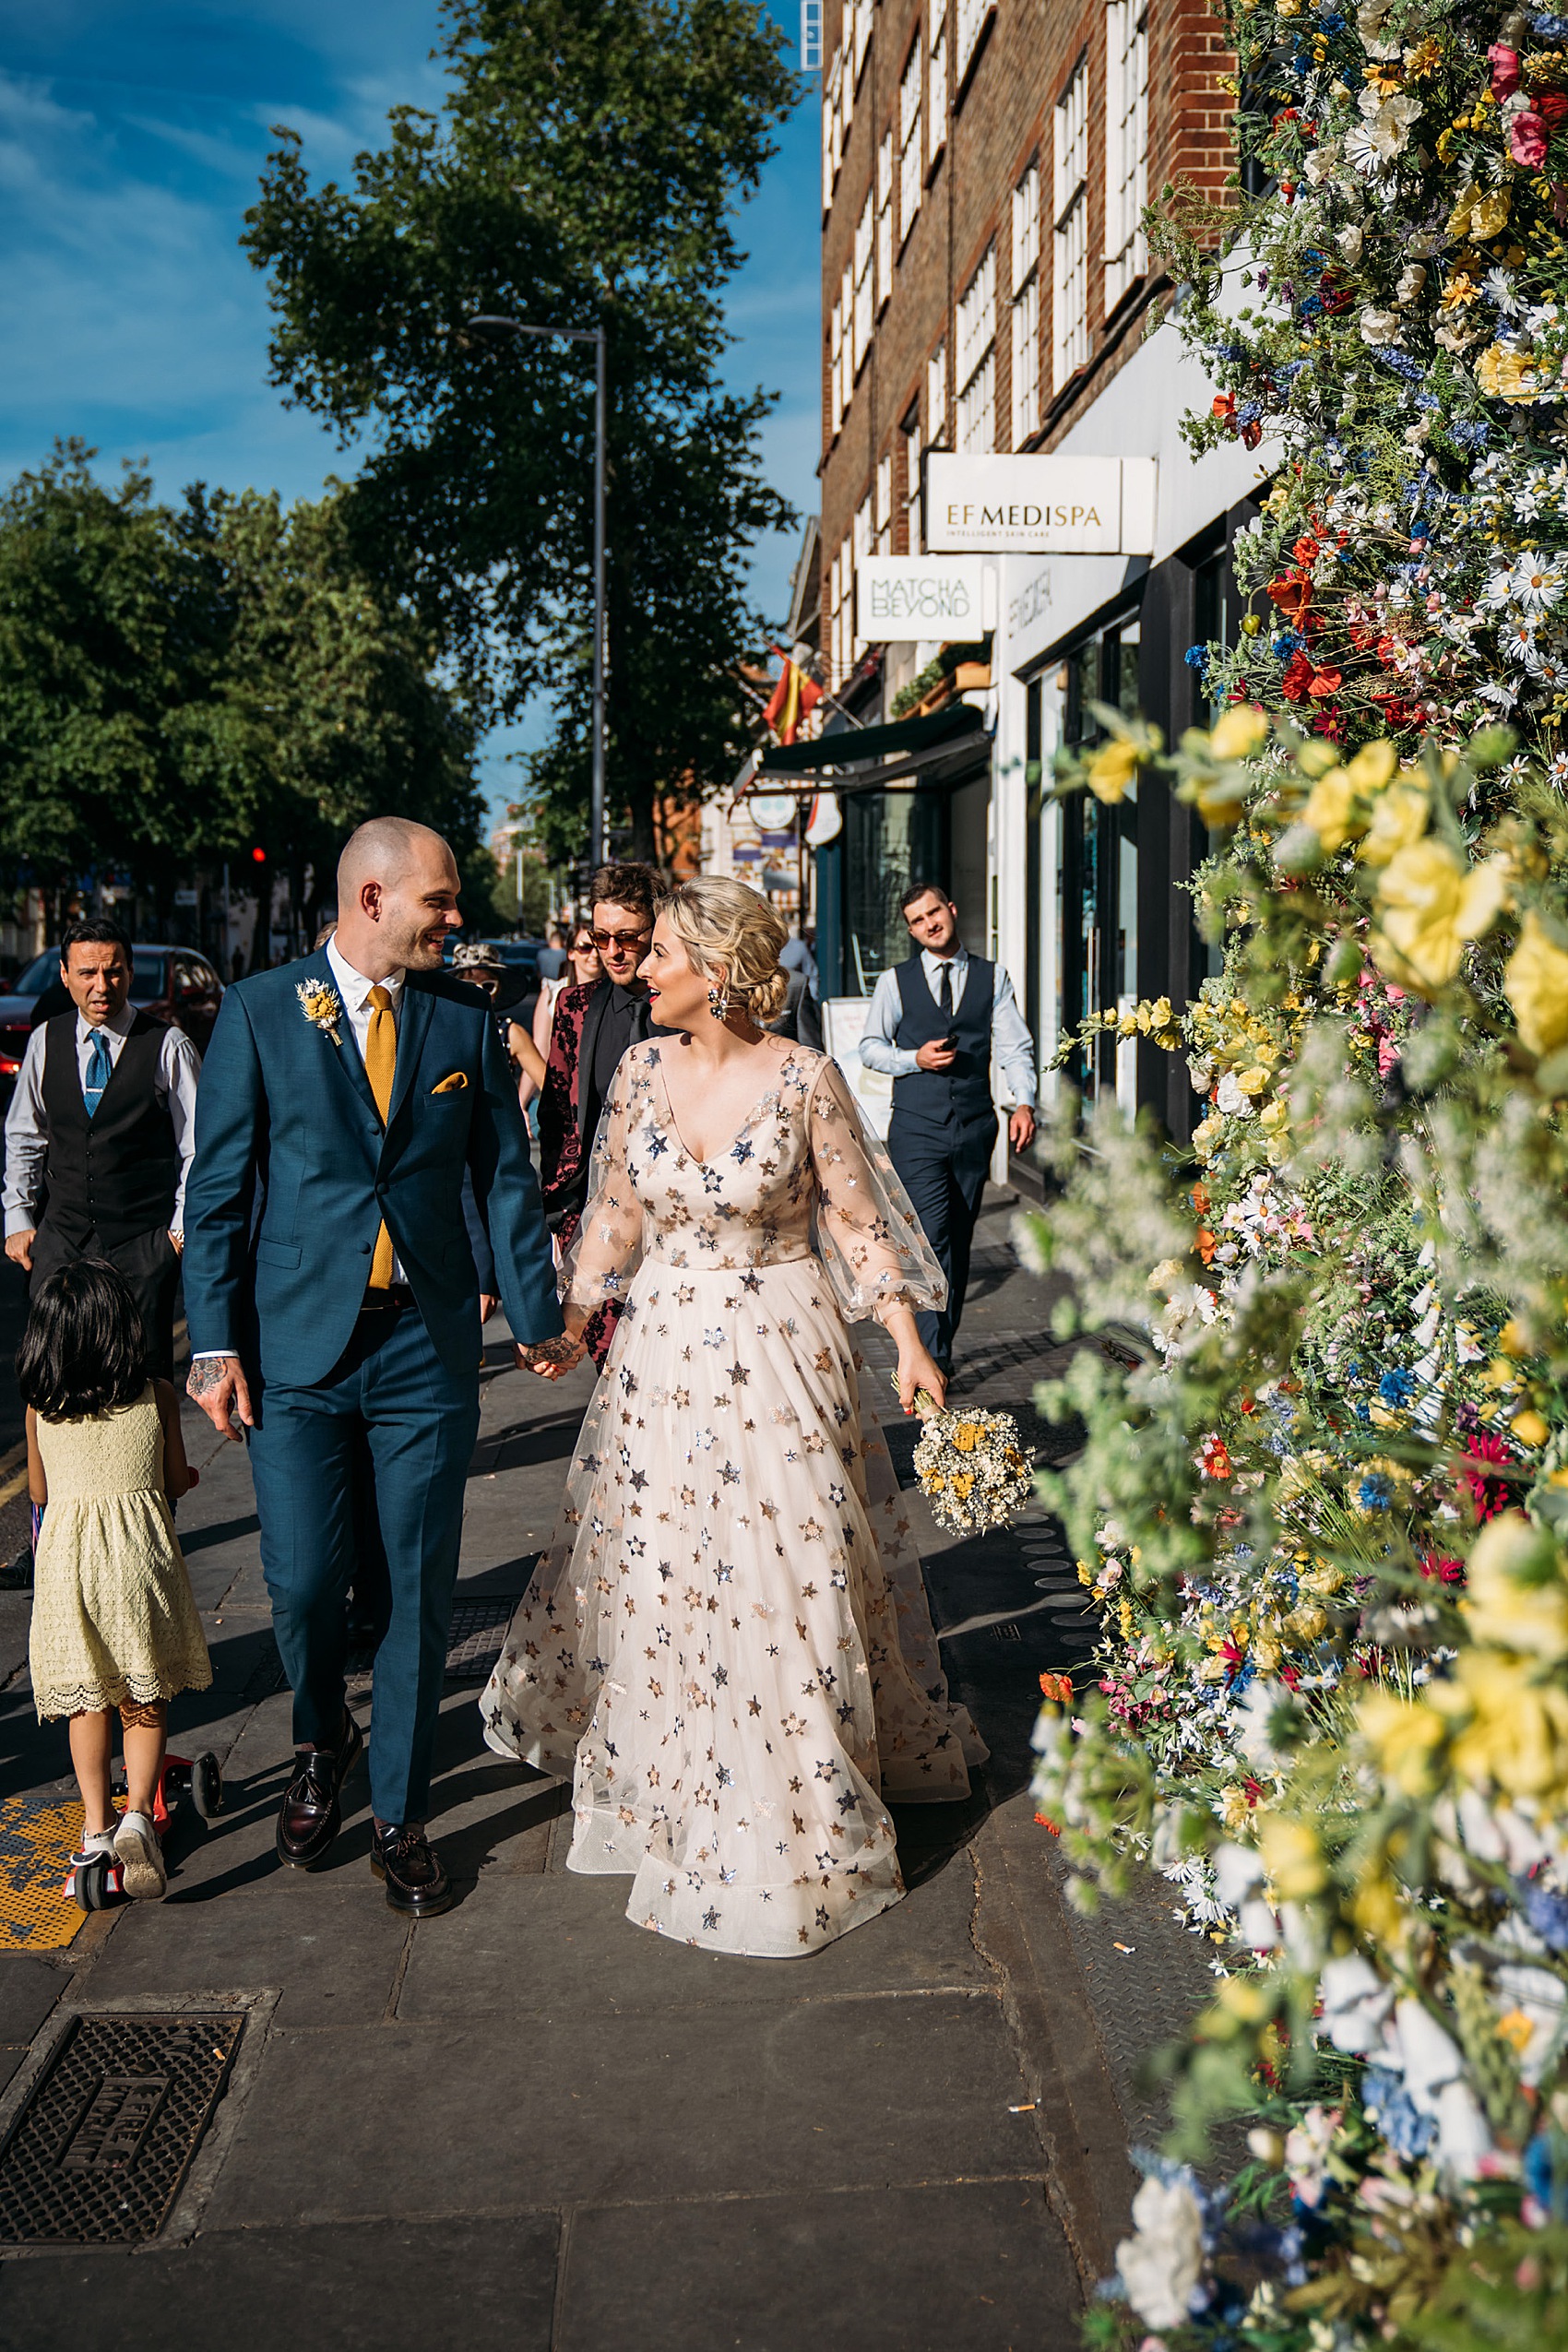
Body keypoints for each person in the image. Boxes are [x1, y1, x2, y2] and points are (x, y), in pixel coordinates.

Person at [481, 876, 986, 1958]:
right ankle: (679, 1779)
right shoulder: (636, 1070)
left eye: (660, 951)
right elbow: (613, 1213)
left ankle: (795, 1797)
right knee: (668, 1567)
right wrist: (571, 1324)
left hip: (778, 1349)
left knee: (787, 1571)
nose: (641, 968)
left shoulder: (804, 1079)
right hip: (661, 1355)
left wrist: (904, 1344)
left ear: (715, 969)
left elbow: (857, 1226)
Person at [182, 816, 564, 1919]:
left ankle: (399, 1813)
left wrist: (532, 1315)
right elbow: (217, 1197)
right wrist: (214, 1348)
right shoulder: (260, 1013)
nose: (456, 919)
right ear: (370, 901)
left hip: (422, 1348)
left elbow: (503, 1171)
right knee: (300, 1587)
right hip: (294, 1351)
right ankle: (319, 1734)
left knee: (412, 1585)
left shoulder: (463, 1016)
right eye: (439, 903)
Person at [21, 1260, 209, 1903]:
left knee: (88, 1699)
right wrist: (183, 1483)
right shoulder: (155, 1395)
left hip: (69, 1567)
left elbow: (41, 1492)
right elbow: (172, 1476)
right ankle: (139, 1817)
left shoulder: (40, 1410)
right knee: (144, 1694)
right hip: (137, 1562)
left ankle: (96, 1833)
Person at [3, 917, 202, 1382]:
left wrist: (176, 1235)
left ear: (130, 973)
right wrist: (18, 1219)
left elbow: (200, 1148)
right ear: (65, 975)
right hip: (59, 1245)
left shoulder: (167, 1046)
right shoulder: (44, 1042)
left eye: (113, 972)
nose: (101, 986)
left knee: (143, 1387)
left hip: (141, 1249)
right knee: (49, 1382)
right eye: (88, 973)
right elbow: (24, 1136)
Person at [859, 883, 1038, 1379]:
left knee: (958, 1242)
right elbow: (870, 1047)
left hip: (976, 1127)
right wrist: (911, 1058)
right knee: (933, 1237)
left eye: (933, 912)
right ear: (911, 929)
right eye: (917, 920)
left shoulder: (991, 977)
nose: (928, 924)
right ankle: (930, 1358)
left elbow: (1014, 1048)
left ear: (951, 910)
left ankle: (941, 1347)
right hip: (916, 1129)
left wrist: (1024, 1102)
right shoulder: (896, 982)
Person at [536, 862, 666, 1364]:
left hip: (677, 1225)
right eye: (600, 937)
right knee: (614, 1373)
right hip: (599, 1225)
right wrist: (562, 1215)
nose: (612, 952)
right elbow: (557, 1112)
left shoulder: (687, 1006)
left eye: (629, 938)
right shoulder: (575, 1005)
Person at [517, 920, 600, 1113]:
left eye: (598, 946)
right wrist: (521, 1102)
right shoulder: (553, 992)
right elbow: (540, 1049)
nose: (594, 955)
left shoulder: (617, 994)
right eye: (585, 948)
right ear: (571, 952)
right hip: (563, 1098)